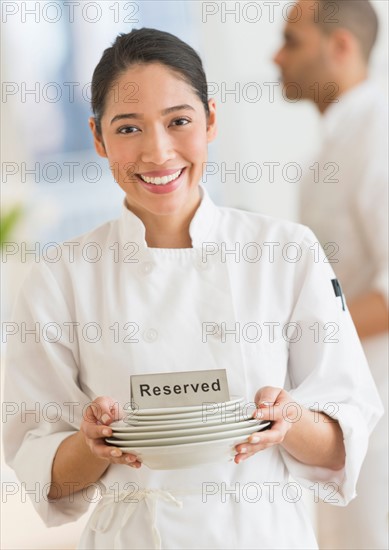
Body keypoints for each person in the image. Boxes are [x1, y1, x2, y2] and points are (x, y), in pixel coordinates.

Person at [3, 28, 383, 550]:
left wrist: (288, 418)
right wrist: (93, 445)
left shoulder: (286, 253)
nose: (158, 153)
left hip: (263, 535)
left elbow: (342, 443)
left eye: (179, 121)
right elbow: (46, 475)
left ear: (210, 120)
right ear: (97, 138)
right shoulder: (61, 277)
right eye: (128, 128)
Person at [273, 1, 388, 549]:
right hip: (344, 407)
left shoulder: (380, 133)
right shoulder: (334, 146)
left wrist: (288, 342)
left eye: (292, 41)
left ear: (340, 46)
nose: (277, 56)